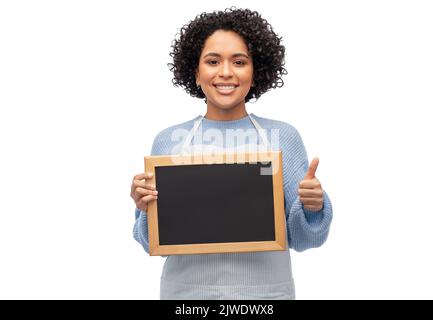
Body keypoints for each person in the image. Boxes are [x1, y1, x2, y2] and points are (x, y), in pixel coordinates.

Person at [130, 7, 333, 300]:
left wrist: (313, 205)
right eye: (213, 61)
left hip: (265, 298)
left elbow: (304, 240)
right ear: (196, 72)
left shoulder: (282, 138)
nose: (226, 72)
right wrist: (144, 207)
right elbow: (153, 242)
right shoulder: (169, 141)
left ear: (256, 71)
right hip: (187, 298)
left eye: (239, 61)